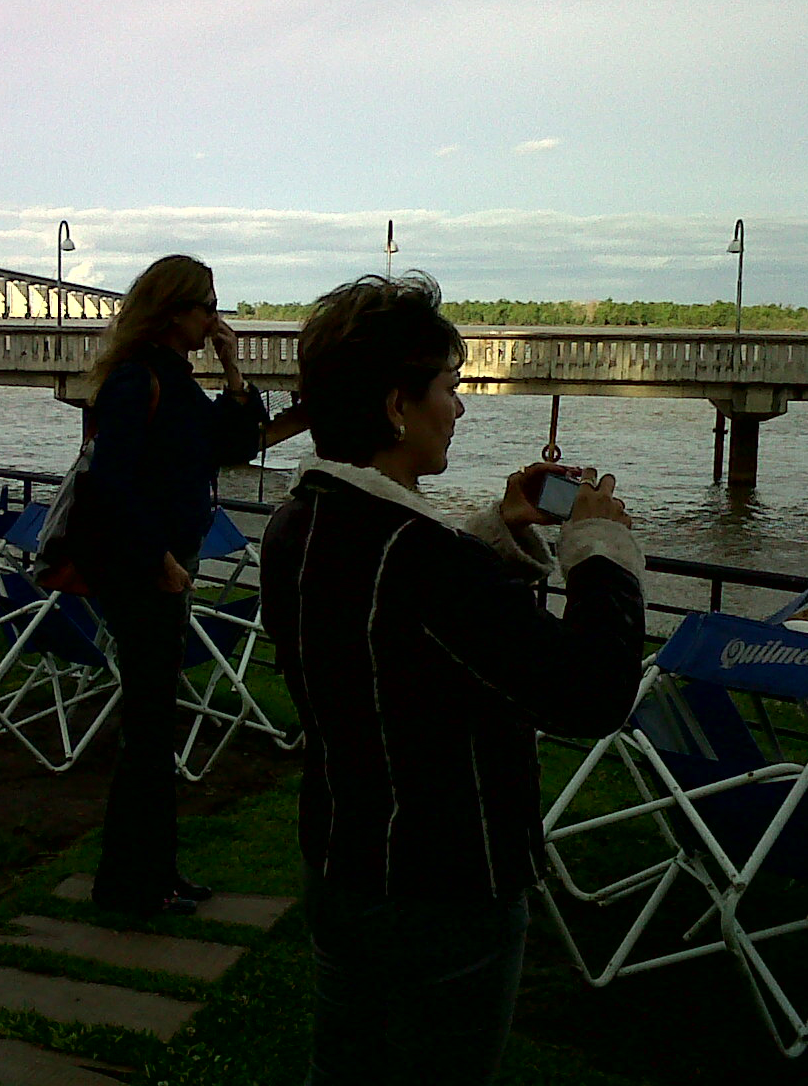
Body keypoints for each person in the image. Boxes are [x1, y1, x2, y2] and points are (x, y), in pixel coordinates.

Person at [260, 274, 646, 1085]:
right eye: (449, 386)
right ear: (396, 405)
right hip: (447, 889)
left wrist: (498, 529)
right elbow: (591, 693)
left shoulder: (299, 521)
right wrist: (600, 554)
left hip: (341, 861)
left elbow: (399, 619)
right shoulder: (422, 562)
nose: (460, 408)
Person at [74, 254, 302, 918]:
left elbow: (234, 446)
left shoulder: (174, 379)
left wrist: (233, 372)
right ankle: (130, 884)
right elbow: (110, 483)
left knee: (155, 729)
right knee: (147, 733)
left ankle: (155, 874)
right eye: (207, 306)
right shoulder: (136, 380)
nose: (215, 318)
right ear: (174, 311)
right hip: (144, 574)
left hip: (165, 567)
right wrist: (158, 559)